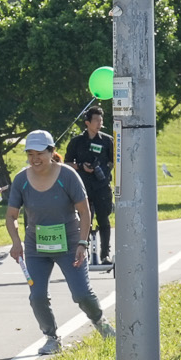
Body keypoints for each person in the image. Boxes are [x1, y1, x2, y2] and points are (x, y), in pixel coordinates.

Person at [4, 129, 114, 356]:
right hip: (36, 247)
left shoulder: (67, 176)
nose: (35, 159)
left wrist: (83, 242)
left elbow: (84, 212)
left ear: (52, 152)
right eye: (30, 153)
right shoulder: (21, 180)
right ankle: (51, 337)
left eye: (40, 153)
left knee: (81, 294)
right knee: (37, 296)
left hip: (71, 244)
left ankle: (100, 323)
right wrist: (16, 242)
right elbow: (11, 216)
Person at [64, 107, 115, 265]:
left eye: (101, 120)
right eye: (96, 120)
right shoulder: (77, 142)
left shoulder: (107, 141)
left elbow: (114, 161)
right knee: (84, 220)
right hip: (83, 187)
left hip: (101, 186)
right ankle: (83, 253)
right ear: (87, 123)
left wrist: (104, 171)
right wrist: (80, 166)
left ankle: (105, 254)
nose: (100, 123)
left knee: (104, 219)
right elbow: (66, 163)